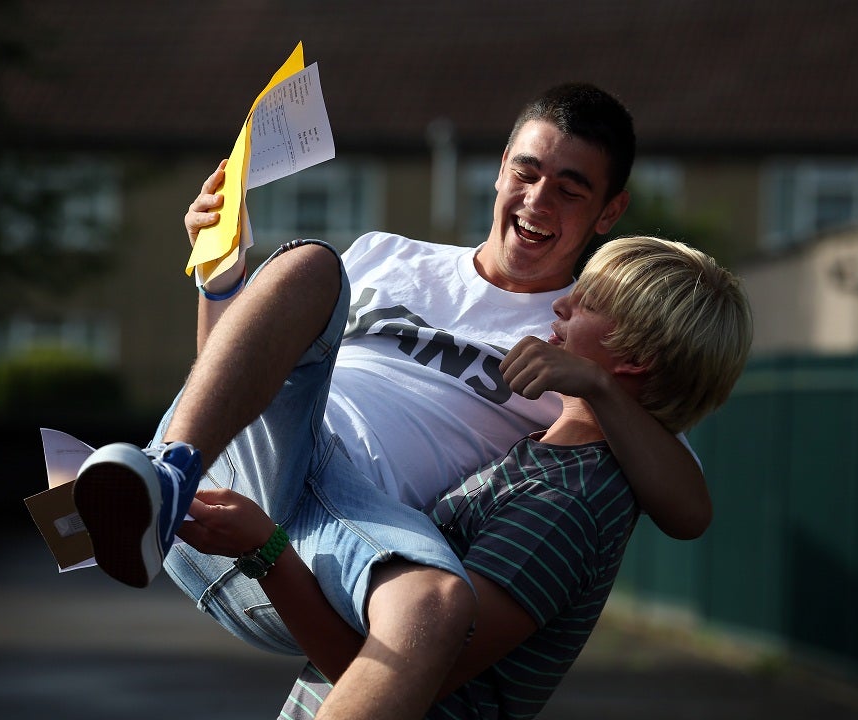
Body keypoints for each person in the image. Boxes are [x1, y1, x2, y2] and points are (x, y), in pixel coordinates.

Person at [70, 83, 710, 720]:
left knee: (436, 607)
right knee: (308, 265)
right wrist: (220, 279)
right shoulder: (388, 254)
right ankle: (162, 479)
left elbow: (689, 512)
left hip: (342, 539)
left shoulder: (581, 339)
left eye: (570, 190)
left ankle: (141, 488)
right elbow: (231, 383)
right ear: (500, 170)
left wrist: (596, 384)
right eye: (527, 172)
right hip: (252, 466)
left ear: (609, 211)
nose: (538, 200)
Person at [180, 235, 753, 719]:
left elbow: (392, 671)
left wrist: (267, 551)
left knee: (308, 267)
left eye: (589, 303)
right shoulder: (544, 455)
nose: (560, 305)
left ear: (634, 359)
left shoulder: (569, 500)